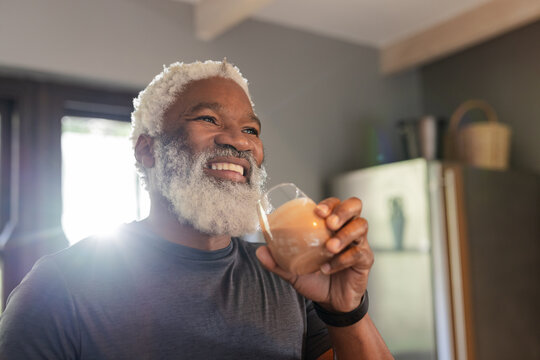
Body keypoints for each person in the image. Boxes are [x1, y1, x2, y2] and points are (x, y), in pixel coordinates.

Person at [0, 60, 393, 359]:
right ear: (147, 149)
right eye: (208, 119)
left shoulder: (289, 277)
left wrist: (345, 310)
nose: (239, 143)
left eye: (251, 130)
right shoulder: (59, 287)